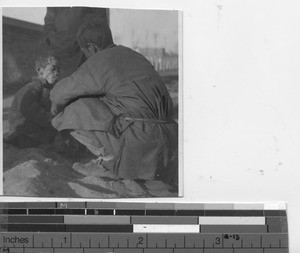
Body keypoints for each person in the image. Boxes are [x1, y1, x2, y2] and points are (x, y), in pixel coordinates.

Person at [50, 22, 178, 185]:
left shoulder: (99, 61)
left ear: (92, 47)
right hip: (170, 138)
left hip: (140, 139)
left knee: (72, 106)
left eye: (85, 52)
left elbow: (59, 94)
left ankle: (109, 162)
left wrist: (54, 112)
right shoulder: (133, 54)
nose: (87, 57)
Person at [4, 55, 60, 148]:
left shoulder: (46, 89)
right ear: (40, 70)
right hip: (24, 135)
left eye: (58, 69)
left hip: (35, 130)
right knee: (60, 143)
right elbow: (36, 115)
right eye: (53, 69)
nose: (57, 73)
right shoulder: (31, 89)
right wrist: (57, 123)